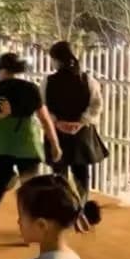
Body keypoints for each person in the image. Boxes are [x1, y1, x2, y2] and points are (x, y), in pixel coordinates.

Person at [0, 53, 62, 248]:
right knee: (29, 191)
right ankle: (28, 231)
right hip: (27, 145)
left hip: (2, 146)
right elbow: (44, 119)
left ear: (3, 70)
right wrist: (55, 144)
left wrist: (3, 115)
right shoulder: (31, 89)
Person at [43, 43, 106, 198]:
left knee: (59, 176)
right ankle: (81, 206)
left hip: (57, 134)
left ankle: (63, 206)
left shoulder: (48, 81)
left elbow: (43, 106)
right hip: (81, 135)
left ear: (56, 60)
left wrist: (56, 122)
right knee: (82, 174)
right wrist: (81, 122)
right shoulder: (88, 80)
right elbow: (97, 104)